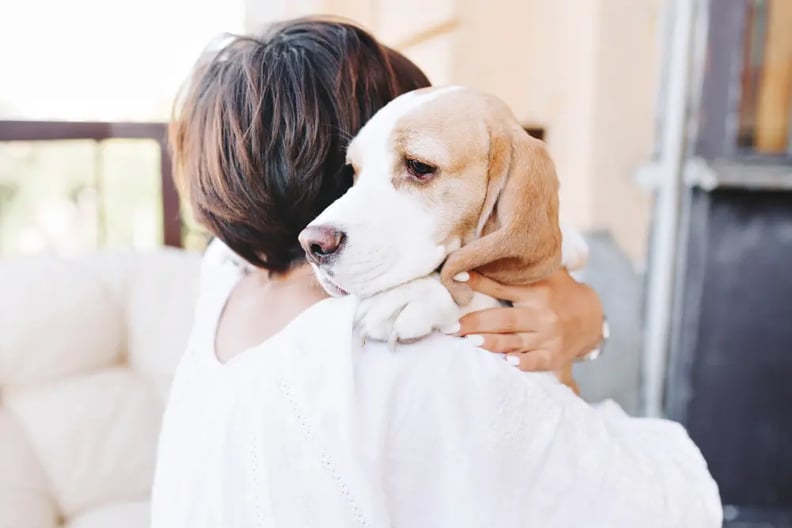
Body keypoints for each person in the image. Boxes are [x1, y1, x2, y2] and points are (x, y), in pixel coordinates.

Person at [151, 17, 721, 527]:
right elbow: (659, 506)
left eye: (417, 166)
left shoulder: (224, 277)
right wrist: (585, 318)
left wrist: (570, 301)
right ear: (338, 171)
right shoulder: (424, 354)